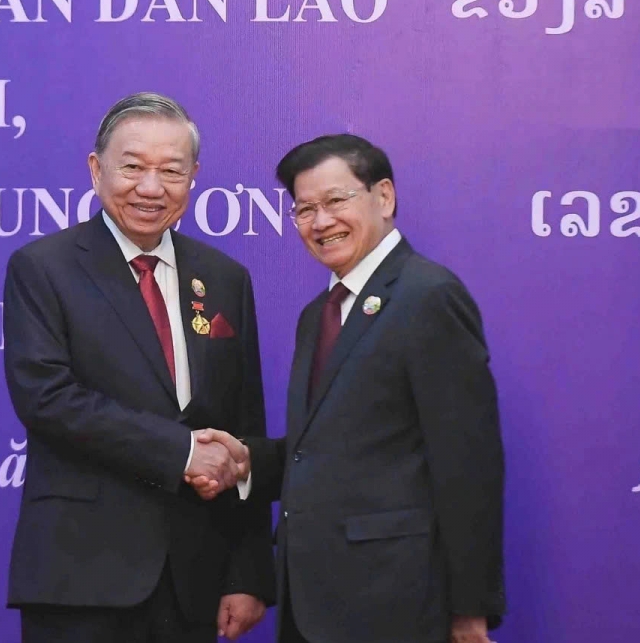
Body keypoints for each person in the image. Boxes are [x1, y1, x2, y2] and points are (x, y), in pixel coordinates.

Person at [192, 134, 507, 643]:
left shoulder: (428, 297)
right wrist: (248, 462)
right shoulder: (318, 315)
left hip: (396, 603)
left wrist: (469, 609)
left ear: (383, 197)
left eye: (336, 201)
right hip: (313, 602)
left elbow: (468, 465)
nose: (320, 222)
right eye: (304, 209)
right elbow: (326, 451)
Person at [1, 92, 275, 643]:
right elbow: (47, 397)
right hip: (82, 576)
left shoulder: (224, 277)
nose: (151, 189)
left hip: (194, 579)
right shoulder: (44, 268)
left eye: (171, 171)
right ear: (96, 169)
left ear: (193, 177)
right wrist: (183, 453)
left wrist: (248, 574)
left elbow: (244, 424)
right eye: (132, 167)